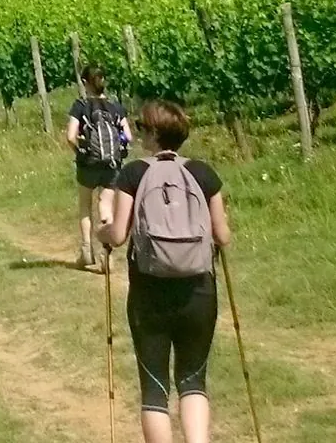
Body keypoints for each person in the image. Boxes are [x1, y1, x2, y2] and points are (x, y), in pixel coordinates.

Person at [97, 101, 232, 443]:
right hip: (199, 290)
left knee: (154, 386)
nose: (140, 132)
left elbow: (117, 234)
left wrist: (103, 231)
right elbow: (223, 236)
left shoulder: (133, 173)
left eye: (142, 128)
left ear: (155, 134)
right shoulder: (204, 173)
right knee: (192, 379)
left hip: (149, 291)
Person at [65, 66, 133, 270]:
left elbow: (70, 136)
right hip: (112, 163)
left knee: (85, 206)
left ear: (85, 83)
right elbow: (128, 136)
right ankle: (106, 255)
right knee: (106, 206)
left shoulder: (81, 105)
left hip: (88, 164)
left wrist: (80, 152)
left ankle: (86, 251)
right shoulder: (116, 107)